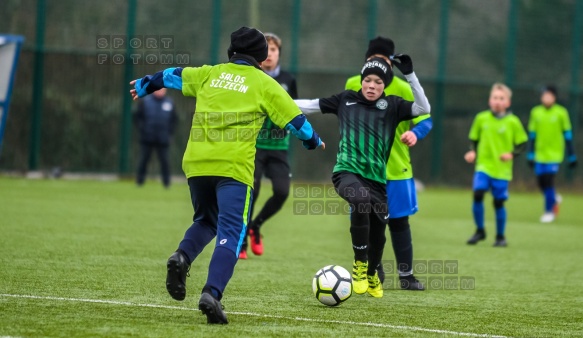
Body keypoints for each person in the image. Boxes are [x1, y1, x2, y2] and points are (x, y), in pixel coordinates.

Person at [129, 27, 324, 324]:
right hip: (233, 169)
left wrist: (144, 85)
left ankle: (181, 256)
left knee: (206, 220)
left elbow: (171, 74)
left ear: (231, 52)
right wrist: (312, 141)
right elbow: (296, 120)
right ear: (261, 58)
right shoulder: (265, 84)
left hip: (197, 164)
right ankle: (212, 293)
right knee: (231, 232)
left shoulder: (209, 73)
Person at [295, 56, 431, 298]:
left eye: (378, 82)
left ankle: (370, 273)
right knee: (360, 200)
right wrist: (272, 98)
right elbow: (309, 105)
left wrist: (410, 75)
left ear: (385, 85)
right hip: (346, 172)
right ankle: (359, 265)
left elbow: (424, 109)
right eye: (367, 80)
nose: (371, 85)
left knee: (379, 234)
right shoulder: (345, 99)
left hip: (377, 180)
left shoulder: (393, 105)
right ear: (361, 80)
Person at [345, 36, 432, 291]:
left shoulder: (405, 88)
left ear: (392, 65)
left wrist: (416, 133)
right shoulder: (353, 85)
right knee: (366, 222)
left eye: (384, 62)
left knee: (398, 221)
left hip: (396, 169)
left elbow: (427, 119)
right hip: (362, 170)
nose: (378, 68)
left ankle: (407, 275)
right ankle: (373, 270)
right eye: (373, 61)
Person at [239, 32, 298, 259]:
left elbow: (294, 109)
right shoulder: (252, 76)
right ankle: (241, 242)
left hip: (279, 147)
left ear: (278, 54)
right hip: (254, 146)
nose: (270, 54)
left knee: (282, 192)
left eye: (274, 50)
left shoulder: (288, 79)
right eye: (267, 50)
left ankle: (255, 226)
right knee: (250, 192)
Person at [464, 83, 528, 247]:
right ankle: (480, 231)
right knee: (478, 194)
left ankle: (500, 236)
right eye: (495, 98)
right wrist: (473, 152)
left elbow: (522, 143)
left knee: (498, 202)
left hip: (502, 170)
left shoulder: (513, 122)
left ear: (508, 103)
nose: (498, 101)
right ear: (489, 100)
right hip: (483, 166)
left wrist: (511, 154)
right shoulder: (481, 118)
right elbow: (474, 140)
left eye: (501, 98)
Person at [527, 85, 577, 223]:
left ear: (554, 97)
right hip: (540, 154)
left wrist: (571, 154)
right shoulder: (536, 112)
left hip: (554, 155)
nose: (546, 98)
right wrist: (530, 153)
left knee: (549, 181)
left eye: (549, 95)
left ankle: (549, 211)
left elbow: (567, 135)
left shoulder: (561, 112)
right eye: (544, 95)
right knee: (541, 183)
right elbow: (532, 135)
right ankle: (554, 198)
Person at [133, 88, 178, 188]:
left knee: (165, 161)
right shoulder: (145, 102)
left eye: (162, 90)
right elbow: (137, 117)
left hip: (163, 138)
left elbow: (174, 120)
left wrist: (169, 133)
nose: (160, 91)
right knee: (144, 160)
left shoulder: (169, 103)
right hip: (147, 137)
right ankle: (139, 182)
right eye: (158, 89)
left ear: (165, 90)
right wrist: (143, 129)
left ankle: (166, 183)